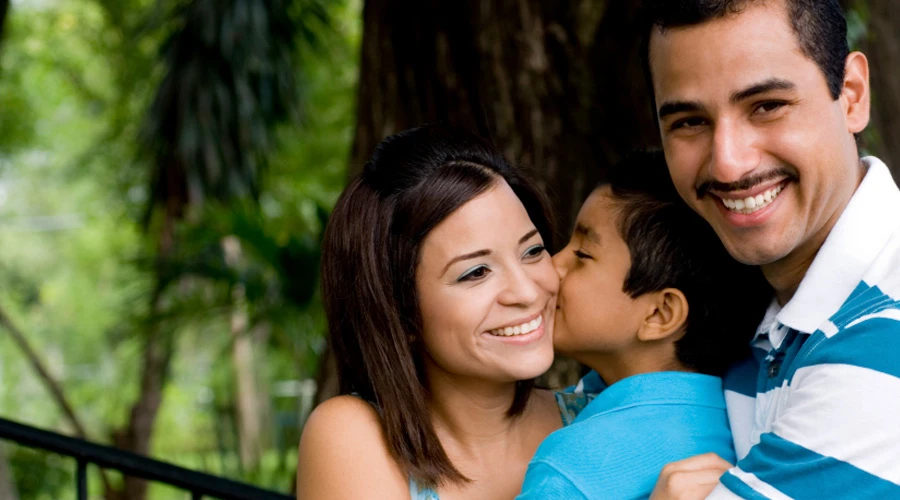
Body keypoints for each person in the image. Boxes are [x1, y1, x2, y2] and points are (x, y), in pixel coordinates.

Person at [634, 0, 900, 498]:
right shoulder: (730, 293)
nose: (728, 164)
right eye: (690, 121)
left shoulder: (885, 338)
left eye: (767, 106)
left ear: (851, 95)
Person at [296, 124, 590, 500]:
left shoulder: (603, 419)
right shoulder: (353, 436)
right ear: (399, 311)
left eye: (532, 251)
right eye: (476, 272)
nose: (527, 291)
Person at [516, 151, 770, 499]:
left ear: (660, 314)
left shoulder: (573, 467)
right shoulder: (750, 423)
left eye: (582, 255)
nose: (552, 265)